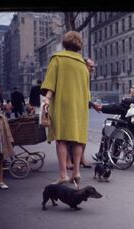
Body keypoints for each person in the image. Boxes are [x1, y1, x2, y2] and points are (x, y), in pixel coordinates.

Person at [41, 31, 91, 186]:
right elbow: (87, 90)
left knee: (61, 139)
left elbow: (51, 82)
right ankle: (76, 172)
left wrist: (47, 99)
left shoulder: (58, 59)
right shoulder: (83, 65)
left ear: (64, 43)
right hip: (80, 105)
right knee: (78, 138)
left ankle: (63, 174)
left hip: (62, 103)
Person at [92, 81, 134, 162]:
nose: (130, 89)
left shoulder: (128, 101)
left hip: (127, 130)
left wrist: (102, 108)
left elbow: (116, 108)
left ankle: (102, 155)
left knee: (107, 130)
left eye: (133, 88)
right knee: (116, 130)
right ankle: (113, 156)